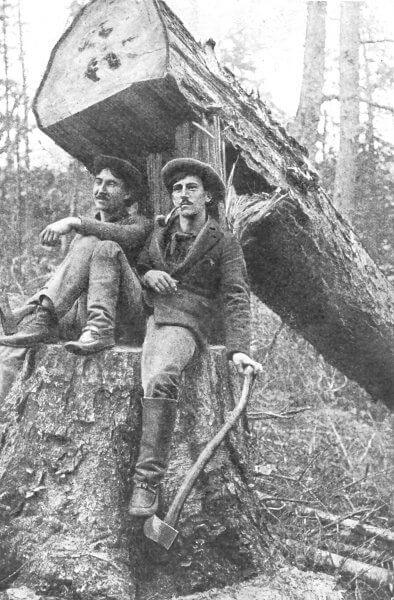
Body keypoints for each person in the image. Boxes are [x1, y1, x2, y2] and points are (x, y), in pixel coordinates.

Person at [128, 157, 262, 518]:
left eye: (191, 188)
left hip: (185, 321)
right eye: (176, 189)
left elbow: (235, 295)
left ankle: (147, 481)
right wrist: (149, 274)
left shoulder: (224, 243)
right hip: (146, 313)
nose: (182, 195)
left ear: (207, 197)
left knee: (160, 378)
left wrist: (238, 349)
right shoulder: (160, 234)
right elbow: (140, 266)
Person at [0, 155, 151, 428]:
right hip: (84, 317)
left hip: (124, 318)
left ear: (128, 193)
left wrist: (74, 221)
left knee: (94, 239)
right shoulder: (85, 234)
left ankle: (44, 317)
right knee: (5, 356)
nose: (101, 190)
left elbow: (115, 235)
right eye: (98, 182)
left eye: (111, 184)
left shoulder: (139, 225)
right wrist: (29, 307)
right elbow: (67, 281)